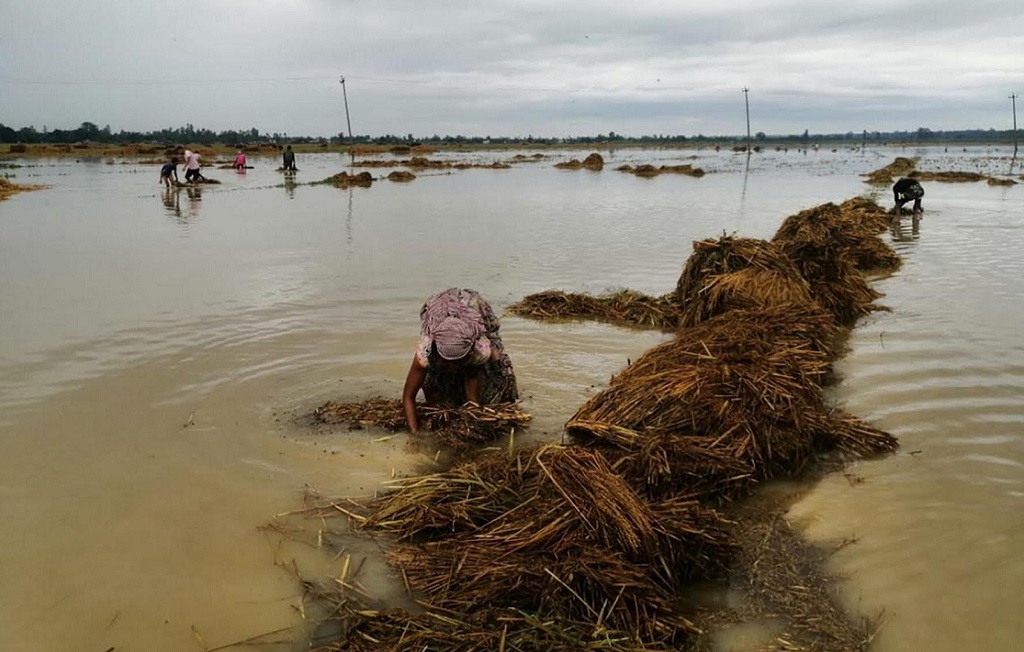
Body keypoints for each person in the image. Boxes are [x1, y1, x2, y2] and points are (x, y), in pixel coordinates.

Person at [402, 288, 519, 434]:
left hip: (473, 308)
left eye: (458, 362)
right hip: (439, 309)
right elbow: (408, 396)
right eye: (447, 362)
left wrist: (473, 419)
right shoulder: (425, 352)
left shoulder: (479, 349)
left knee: (498, 368)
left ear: (469, 354)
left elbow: (472, 388)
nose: (452, 367)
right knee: (433, 387)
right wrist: (414, 435)